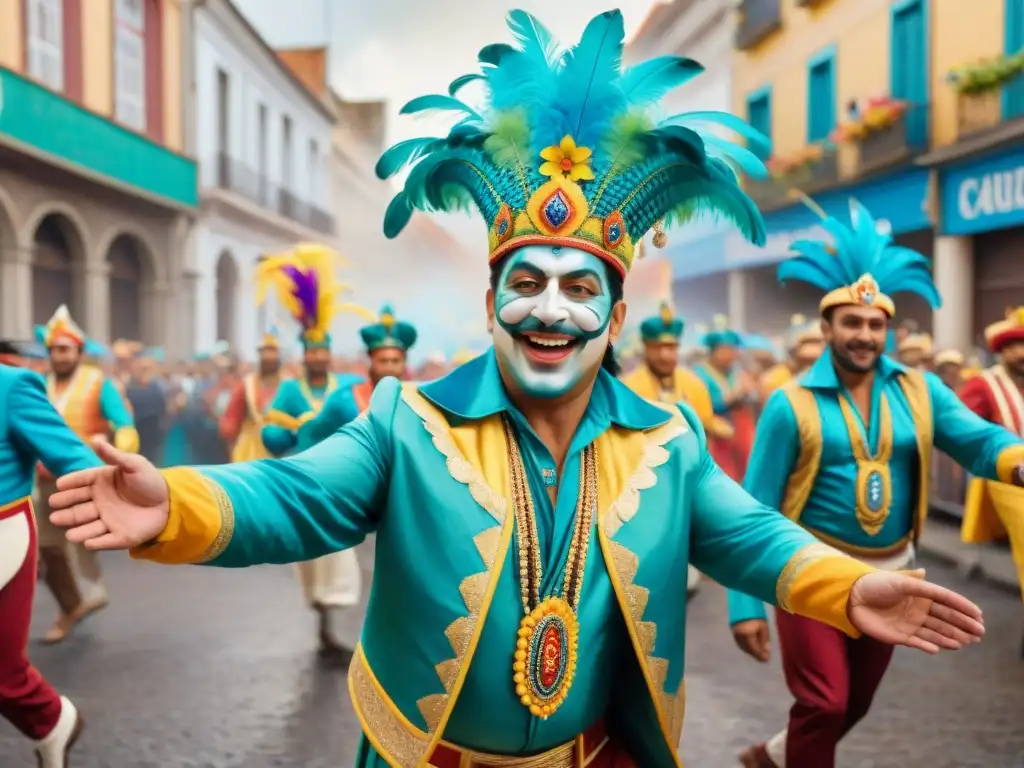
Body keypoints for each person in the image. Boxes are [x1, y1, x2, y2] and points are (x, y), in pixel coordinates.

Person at [48, 12, 986, 767]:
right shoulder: (405, 420)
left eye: (582, 288)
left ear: (616, 318)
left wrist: (845, 585)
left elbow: (749, 534)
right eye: (525, 282)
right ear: (492, 300)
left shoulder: (666, 443)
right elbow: (297, 495)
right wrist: (174, 501)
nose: (552, 309)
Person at [726, 198, 1024, 768]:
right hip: (808, 572)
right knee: (825, 700)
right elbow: (751, 508)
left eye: (874, 324)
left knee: (853, 705)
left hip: (893, 572)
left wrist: (1018, 461)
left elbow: (980, 441)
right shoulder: (789, 404)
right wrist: (744, 604)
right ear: (827, 326)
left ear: (886, 329)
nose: (864, 335)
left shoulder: (919, 390)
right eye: (852, 323)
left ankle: (774, 756)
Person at [256, 243, 375, 655]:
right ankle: (325, 624)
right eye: (313, 351)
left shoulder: (345, 389)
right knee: (314, 564)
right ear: (305, 355)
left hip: (340, 486)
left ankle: (343, 629)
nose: (320, 356)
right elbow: (272, 437)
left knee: (340, 557)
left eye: (325, 350)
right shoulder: (290, 390)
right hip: (303, 485)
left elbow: (364, 428)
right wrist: (283, 432)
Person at [0, 361, 103, 766]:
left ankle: (53, 721)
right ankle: (53, 721)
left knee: (6, 677)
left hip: (4, 535)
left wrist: (117, 494)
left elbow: (74, 457)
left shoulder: (12, 385)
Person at [34, 305, 138, 643]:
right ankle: (72, 605)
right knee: (48, 549)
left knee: (80, 542)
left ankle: (86, 595)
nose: (59, 356)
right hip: (42, 479)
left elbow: (123, 423)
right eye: (54, 350)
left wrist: (122, 451)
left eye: (65, 349)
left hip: (86, 476)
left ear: (78, 352)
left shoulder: (98, 383)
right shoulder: (37, 384)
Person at [620, 301, 731, 595]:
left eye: (672, 347)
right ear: (645, 347)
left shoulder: (694, 385)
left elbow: (705, 430)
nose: (667, 354)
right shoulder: (628, 388)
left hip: (687, 488)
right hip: (643, 490)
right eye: (659, 347)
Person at [958, 307, 1024, 659]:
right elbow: (960, 426)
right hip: (1008, 478)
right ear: (1001, 350)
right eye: (1015, 346)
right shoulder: (984, 383)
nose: (1022, 353)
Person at [297, 304, 418, 450]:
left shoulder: (417, 403)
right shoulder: (344, 400)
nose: (389, 367)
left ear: (404, 363)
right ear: (371, 361)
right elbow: (312, 438)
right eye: (383, 361)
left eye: (395, 361)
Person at [693, 314, 758, 481]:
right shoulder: (699, 375)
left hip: (739, 434)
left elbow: (752, 397)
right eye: (725, 349)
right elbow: (701, 407)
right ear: (713, 351)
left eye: (733, 349)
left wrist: (748, 393)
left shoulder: (736, 372)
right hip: (714, 437)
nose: (731, 354)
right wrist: (730, 398)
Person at [218, 331, 285, 462]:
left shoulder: (290, 385)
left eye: (273, 353)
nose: (269, 358)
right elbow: (230, 424)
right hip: (251, 456)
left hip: (284, 454)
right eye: (265, 354)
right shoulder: (246, 385)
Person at [760, 313, 825, 400]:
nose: (809, 368)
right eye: (806, 361)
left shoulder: (832, 381)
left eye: (813, 361)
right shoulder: (776, 378)